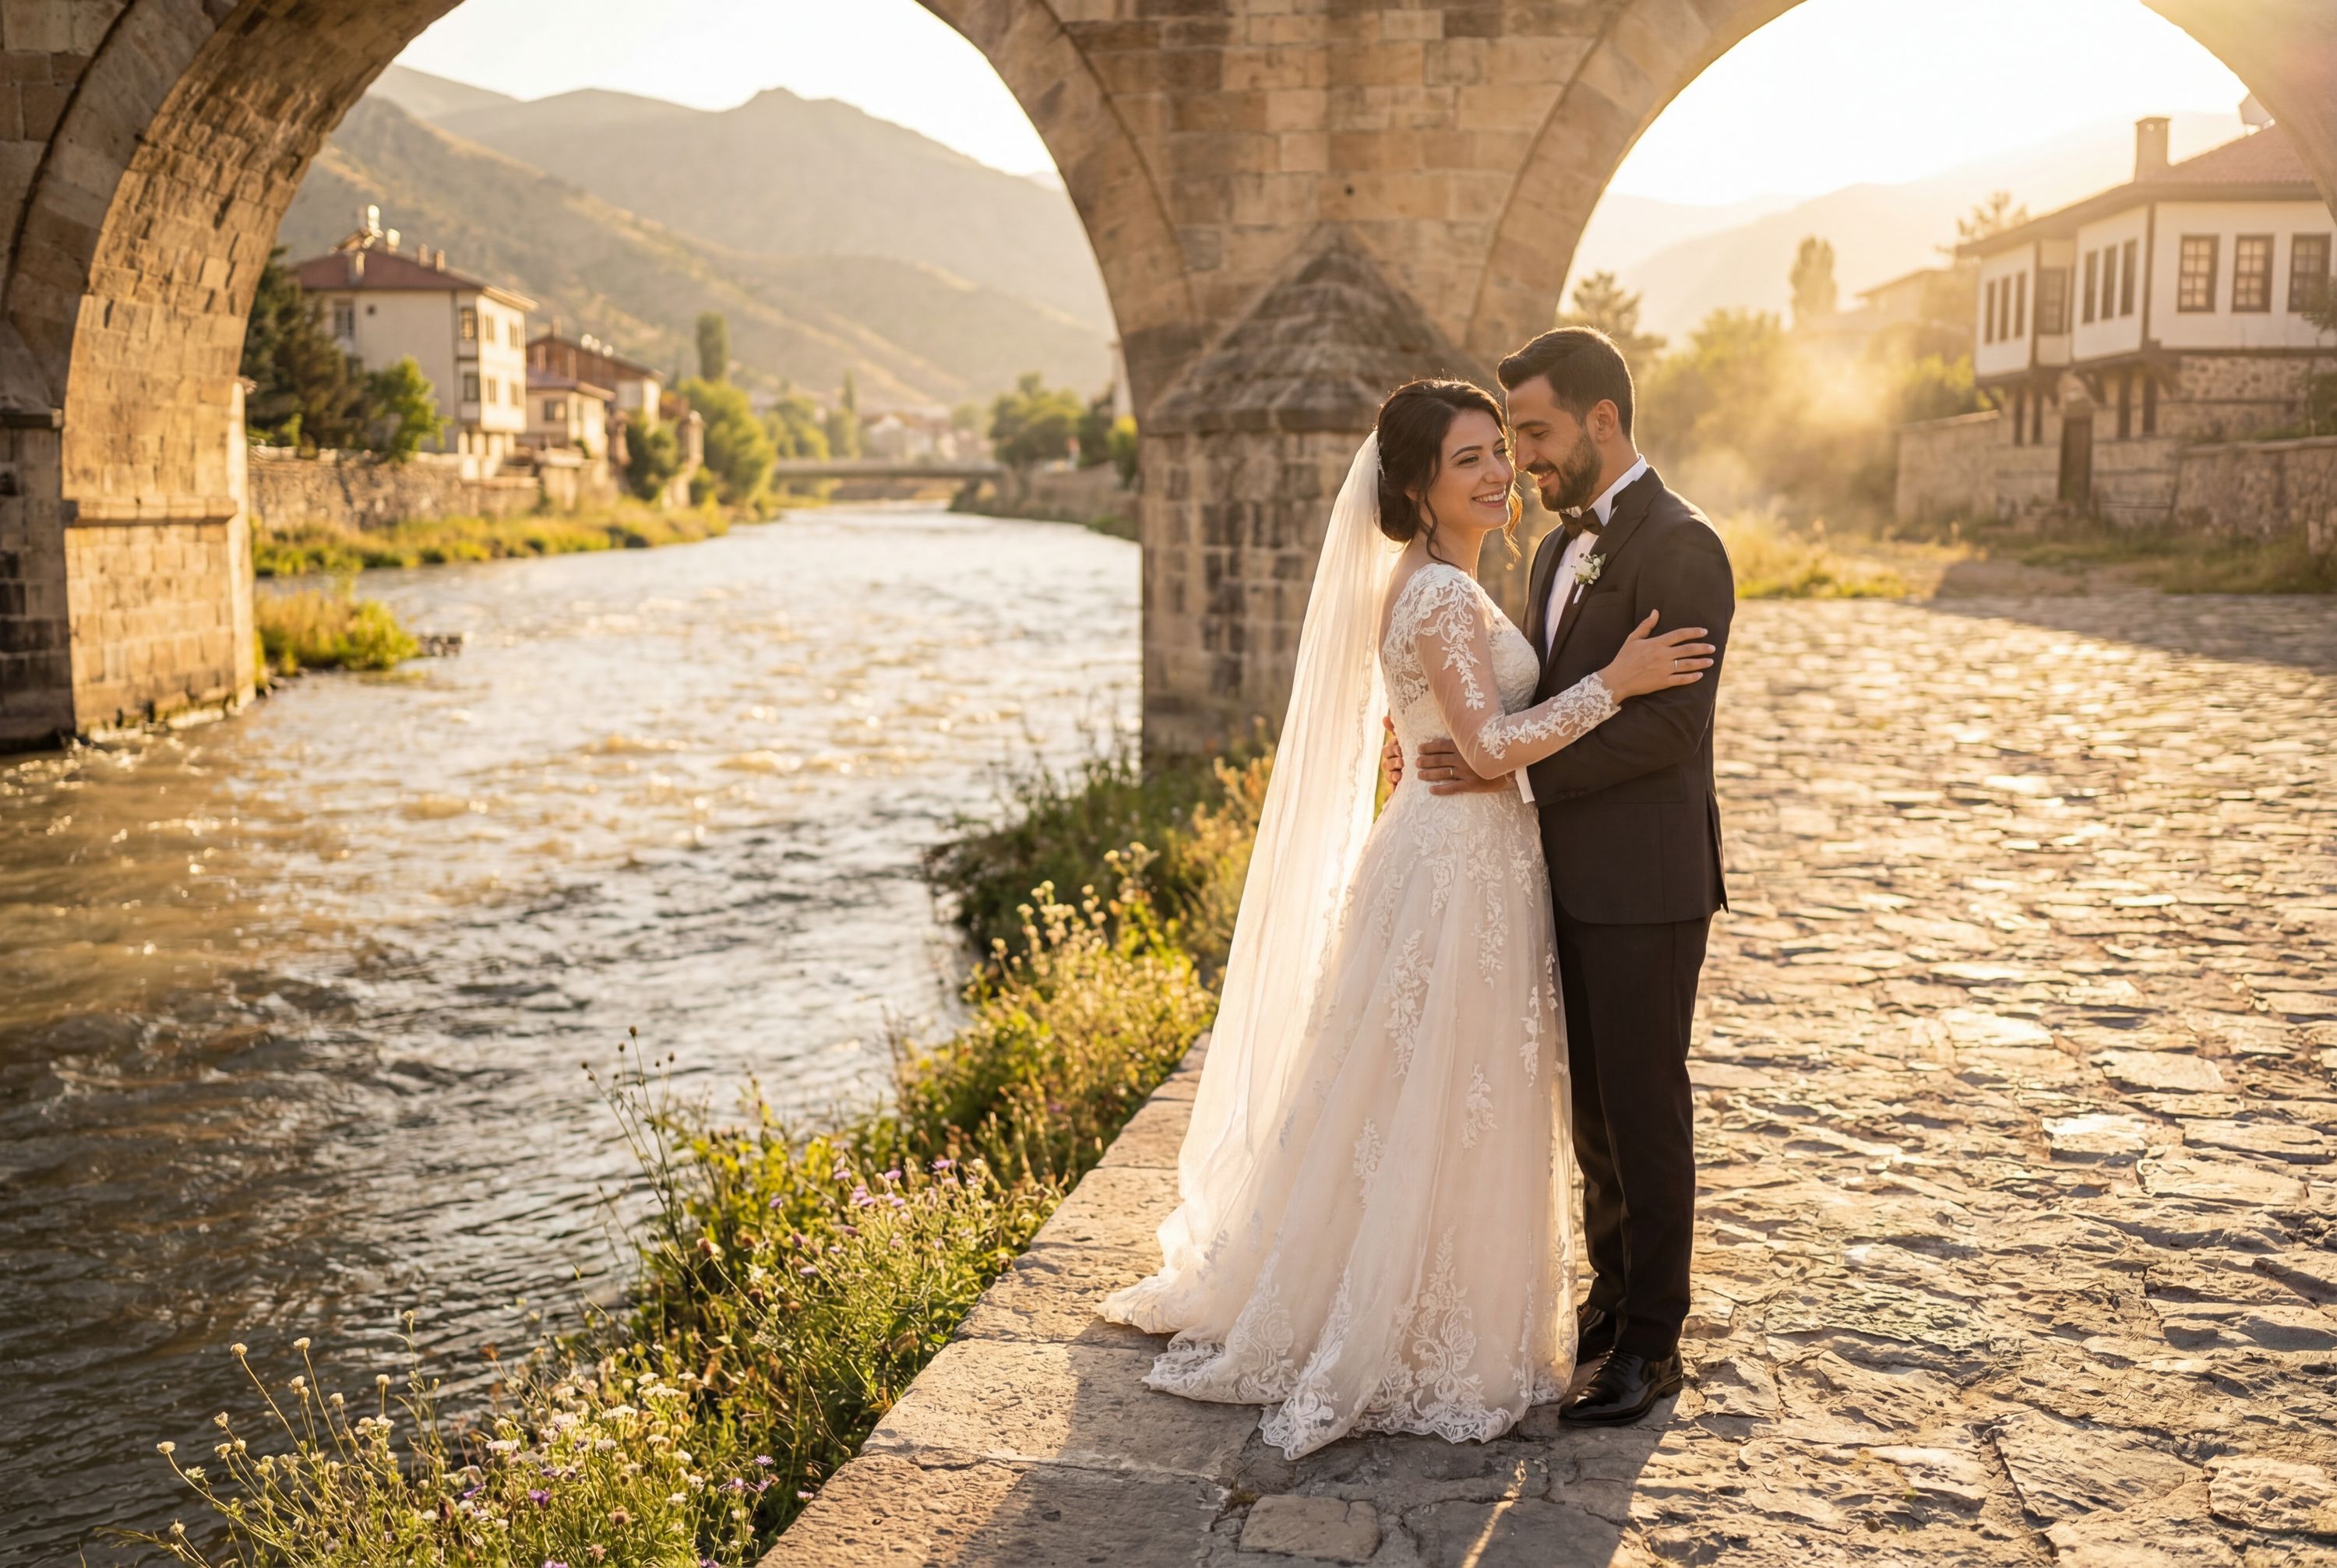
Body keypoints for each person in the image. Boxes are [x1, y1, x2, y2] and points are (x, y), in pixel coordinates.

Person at [1098, 375, 1712, 1458]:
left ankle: (1457, 1298)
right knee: (1445, 1083)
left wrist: (1450, 741)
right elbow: (1480, 747)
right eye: (1473, 456)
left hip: (1471, 854)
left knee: (1443, 1086)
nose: (1501, 471)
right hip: (1456, 865)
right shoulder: (1435, 591)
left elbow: (1462, 733)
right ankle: (1409, 1311)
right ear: (1418, 485)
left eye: (1505, 448)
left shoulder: (1459, 583)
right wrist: (1613, 680)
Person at [1401, 328, 1735, 1425]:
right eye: (1506, 443)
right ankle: (1611, 1295)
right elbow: (1498, 707)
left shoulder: (1684, 546)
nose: (1524, 462)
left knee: (1644, 1105)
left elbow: (1671, 728)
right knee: (1589, 1109)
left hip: (1644, 881)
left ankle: (1654, 1341)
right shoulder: (1550, 551)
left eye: (1535, 434)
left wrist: (1509, 772)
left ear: (1601, 420)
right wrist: (1459, 745)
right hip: (1553, 879)